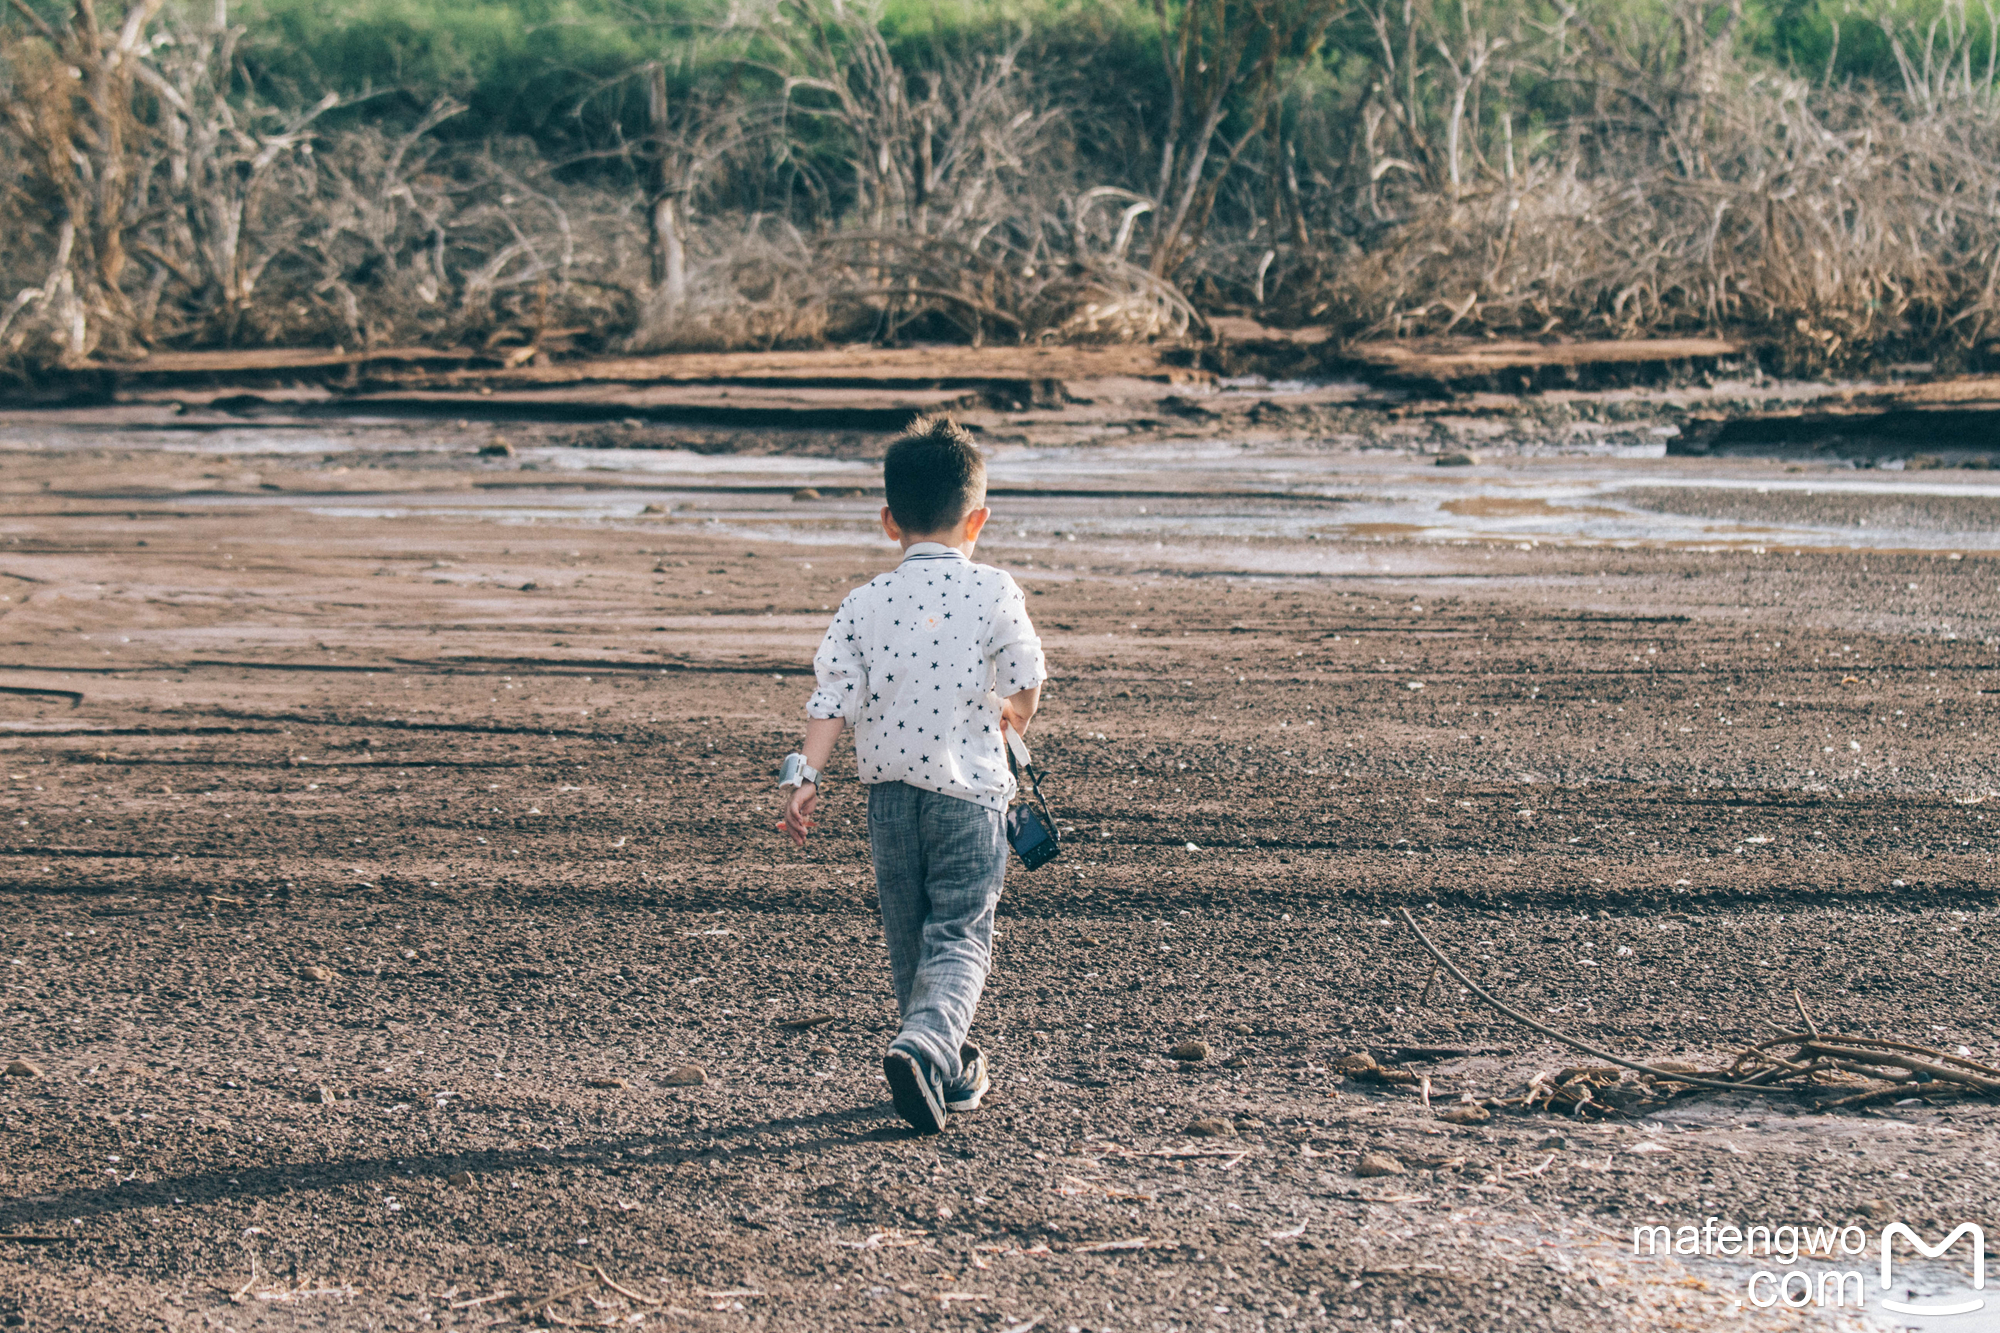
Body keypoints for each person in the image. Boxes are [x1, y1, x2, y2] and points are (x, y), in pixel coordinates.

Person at [776, 415, 1046, 1134]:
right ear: (978, 520)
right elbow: (1025, 676)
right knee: (960, 929)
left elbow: (832, 693)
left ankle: (942, 1067)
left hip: (889, 794)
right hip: (968, 793)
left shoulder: (863, 602)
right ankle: (926, 1043)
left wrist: (806, 775)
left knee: (910, 932)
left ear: (890, 521)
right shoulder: (994, 589)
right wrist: (1010, 714)